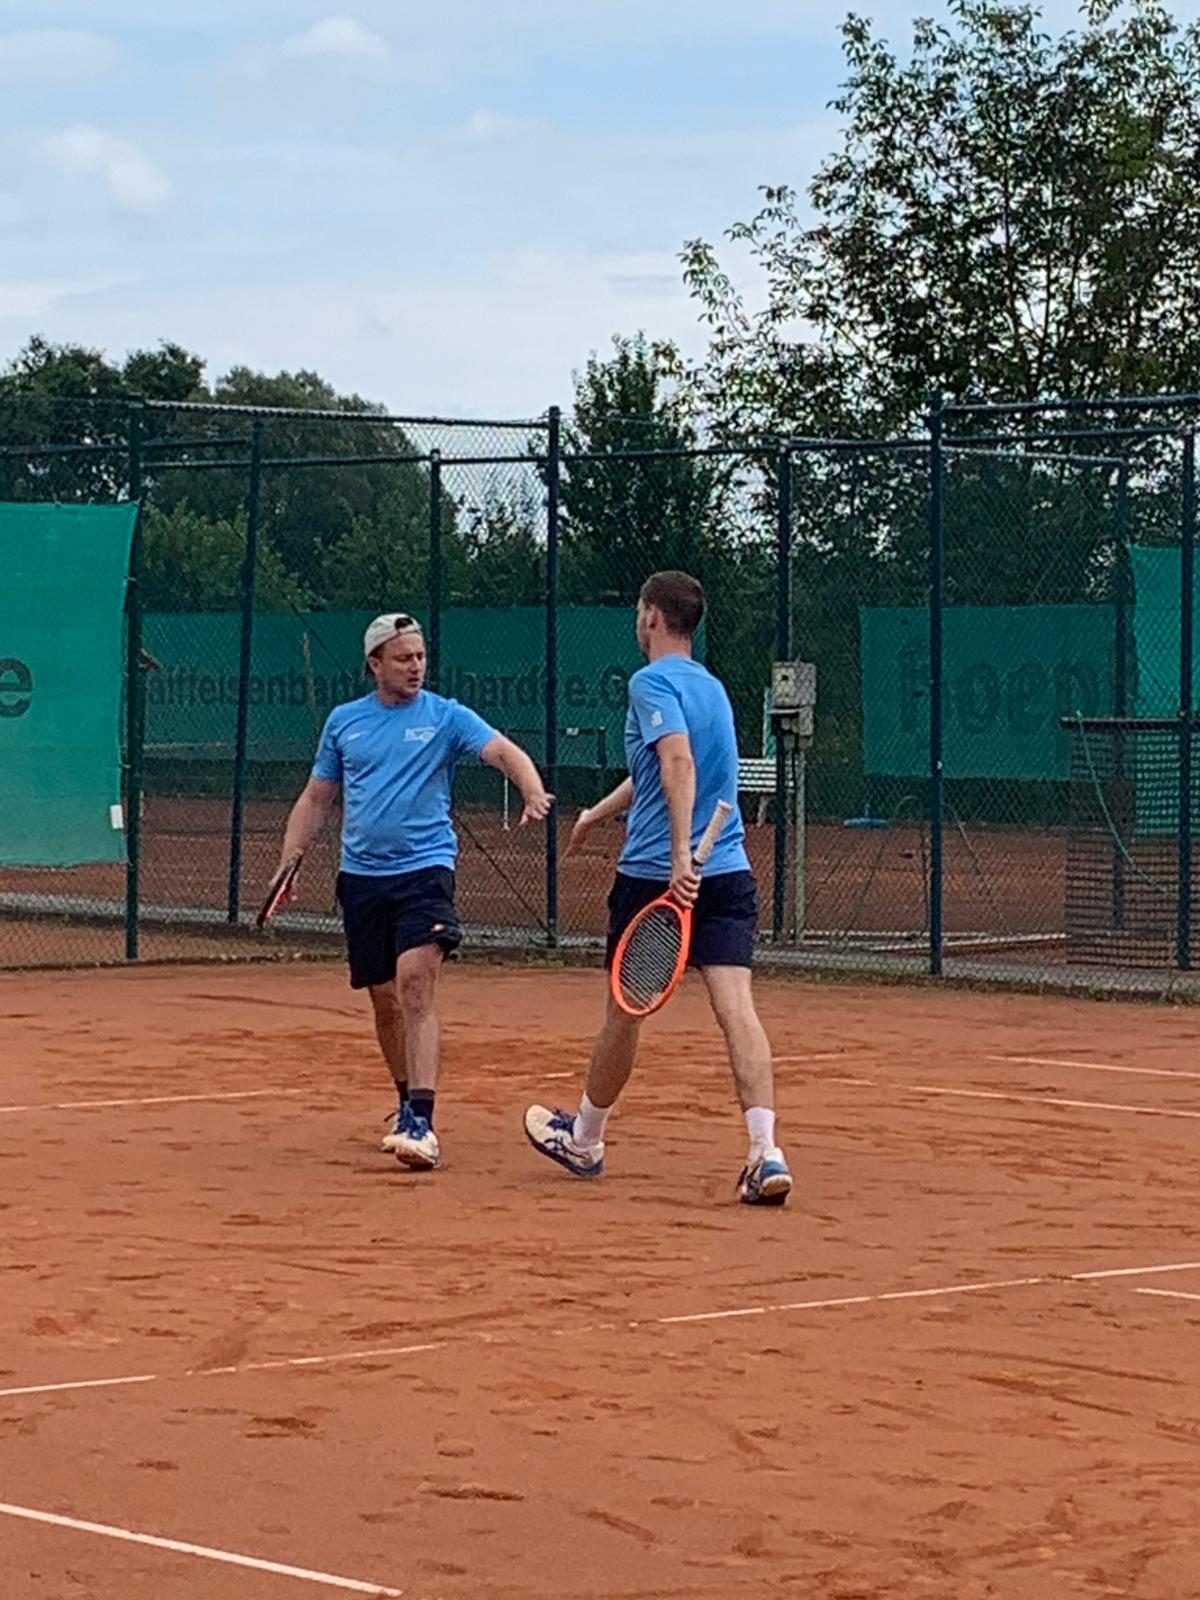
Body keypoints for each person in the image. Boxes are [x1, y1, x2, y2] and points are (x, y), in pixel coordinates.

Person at [523, 571, 793, 1206]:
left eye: (638, 611)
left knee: (624, 1012)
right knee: (737, 1008)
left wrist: (676, 856)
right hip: (726, 872)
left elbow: (678, 763)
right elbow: (655, 772)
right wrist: (596, 814)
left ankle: (585, 1139)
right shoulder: (712, 689)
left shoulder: (649, 682)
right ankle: (765, 1152)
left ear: (650, 617)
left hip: (656, 875)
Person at [276, 611, 553, 1172]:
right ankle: (406, 1103)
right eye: (403, 658)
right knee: (384, 998)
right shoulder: (344, 723)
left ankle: (423, 1121)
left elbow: (503, 751)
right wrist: (291, 859)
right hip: (362, 878)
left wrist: (532, 790)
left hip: (425, 871)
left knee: (415, 983)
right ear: (374, 663)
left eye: (421, 657)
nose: (415, 666)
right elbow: (316, 798)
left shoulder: (446, 716)